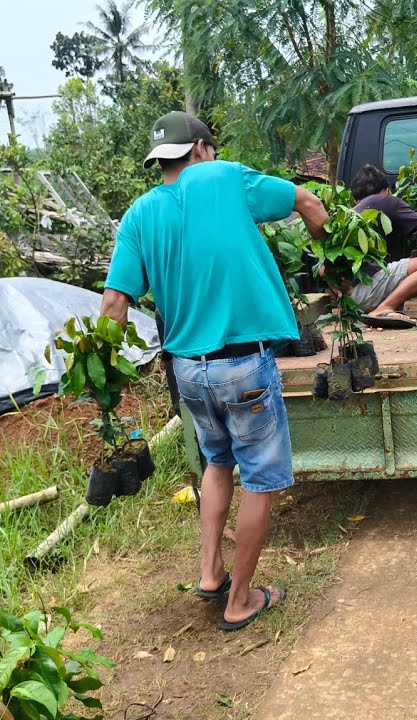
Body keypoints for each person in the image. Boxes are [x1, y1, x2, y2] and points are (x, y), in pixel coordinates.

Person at [100, 111, 329, 631]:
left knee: (217, 464)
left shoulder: (139, 214)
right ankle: (241, 599)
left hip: (188, 373)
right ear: (203, 147)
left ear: (160, 160)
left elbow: (115, 303)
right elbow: (306, 200)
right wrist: (330, 253)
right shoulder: (224, 176)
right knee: (262, 480)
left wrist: (105, 380)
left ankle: (210, 573)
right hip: (243, 365)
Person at [342, 164, 417, 329]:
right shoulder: (385, 201)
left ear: (354, 198)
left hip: (348, 299)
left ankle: (383, 305)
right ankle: (384, 307)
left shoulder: (348, 214)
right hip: (367, 292)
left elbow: (324, 271)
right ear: (386, 190)